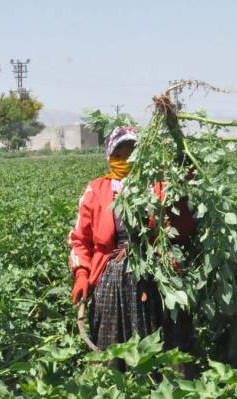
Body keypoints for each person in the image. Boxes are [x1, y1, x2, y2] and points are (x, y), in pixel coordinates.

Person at [68, 125, 197, 364]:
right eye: (120, 154)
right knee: (112, 344)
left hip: (153, 270)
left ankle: (160, 388)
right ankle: (114, 385)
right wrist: (82, 273)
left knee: (161, 340)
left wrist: (184, 182)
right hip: (111, 275)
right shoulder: (96, 191)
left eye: (132, 152)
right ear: (110, 156)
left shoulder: (159, 186)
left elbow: (182, 227)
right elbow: (80, 239)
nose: (126, 159)